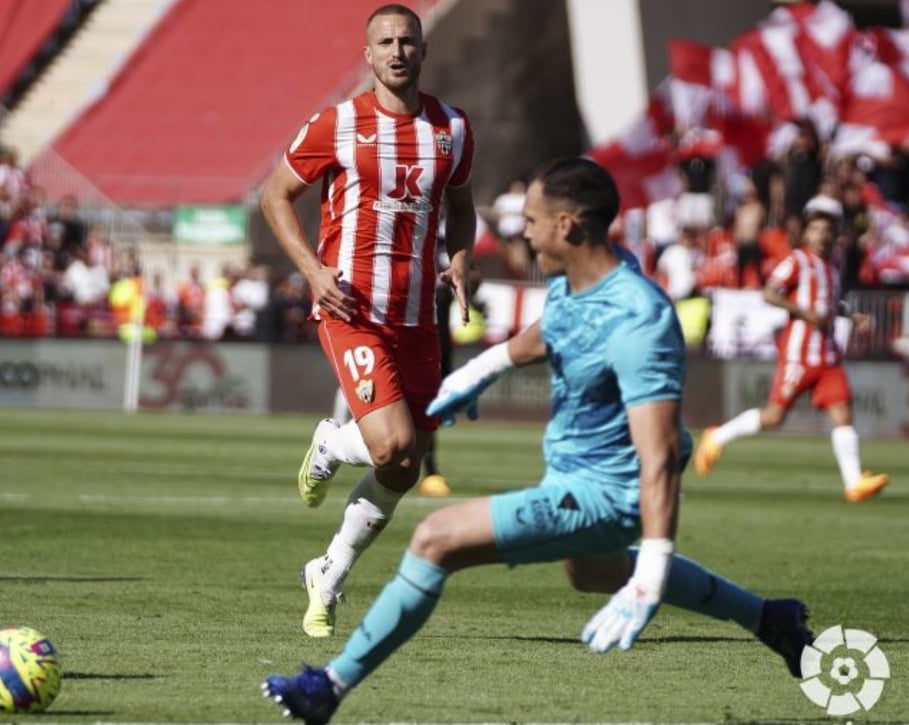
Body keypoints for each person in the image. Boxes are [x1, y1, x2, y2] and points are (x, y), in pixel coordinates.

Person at [262, 158, 812, 724]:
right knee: (592, 572)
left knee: (434, 540)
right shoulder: (588, 275)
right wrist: (479, 373)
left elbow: (661, 457)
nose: (522, 230)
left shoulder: (639, 321)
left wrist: (650, 573)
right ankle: (770, 618)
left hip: (602, 496)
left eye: (532, 219)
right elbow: (552, 331)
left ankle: (326, 688)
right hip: (579, 478)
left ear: (567, 225)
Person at [260, 3, 476, 639]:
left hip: (419, 318)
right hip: (351, 308)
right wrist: (312, 272)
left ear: (422, 50)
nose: (397, 51)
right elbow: (274, 197)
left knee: (404, 467)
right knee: (392, 444)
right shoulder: (339, 124)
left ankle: (327, 572)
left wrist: (459, 258)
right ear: (369, 55)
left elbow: (461, 205)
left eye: (407, 40)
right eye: (385, 42)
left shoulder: (454, 128)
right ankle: (331, 442)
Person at [693, 195, 889, 502]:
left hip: (827, 354)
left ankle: (853, 483)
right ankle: (715, 436)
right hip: (799, 354)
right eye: (816, 230)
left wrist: (849, 314)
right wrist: (802, 312)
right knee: (773, 416)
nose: (822, 235)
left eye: (827, 230)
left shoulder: (832, 267)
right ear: (807, 233)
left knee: (843, 413)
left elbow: (825, 304)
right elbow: (769, 293)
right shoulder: (797, 261)